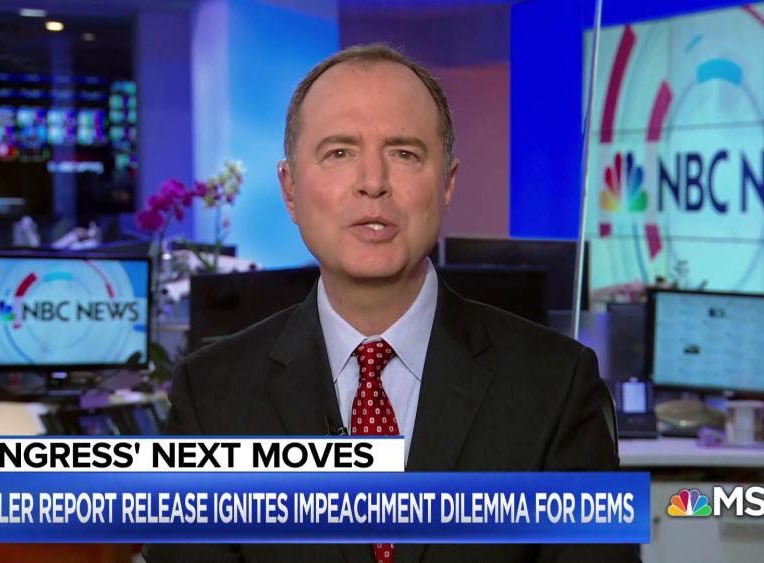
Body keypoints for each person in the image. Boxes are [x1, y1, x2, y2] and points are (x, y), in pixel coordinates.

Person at [145, 44, 637, 562]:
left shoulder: (555, 386)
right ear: (289, 190)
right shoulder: (212, 396)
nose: (373, 183)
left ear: (447, 184)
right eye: (340, 153)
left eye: (404, 153)